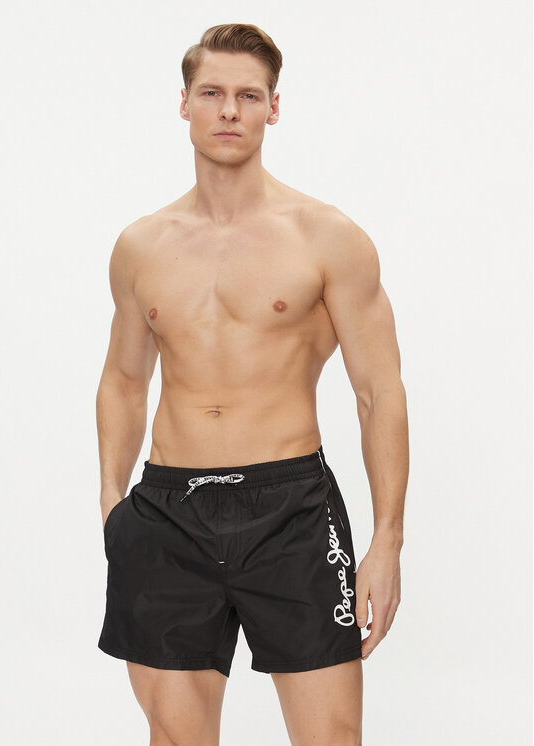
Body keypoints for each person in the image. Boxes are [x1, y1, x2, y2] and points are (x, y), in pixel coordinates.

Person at [96, 22, 408, 746]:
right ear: (184, 104)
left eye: (248, 95)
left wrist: (387, 539)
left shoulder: (326, 237)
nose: (229, 111)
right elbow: (123, 379)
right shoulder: (141, 245)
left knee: (331, 739)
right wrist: (113, 504)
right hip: (167, 514)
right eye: (212, 93)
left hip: (291, 511)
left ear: (273, 107)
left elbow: (379, 392)